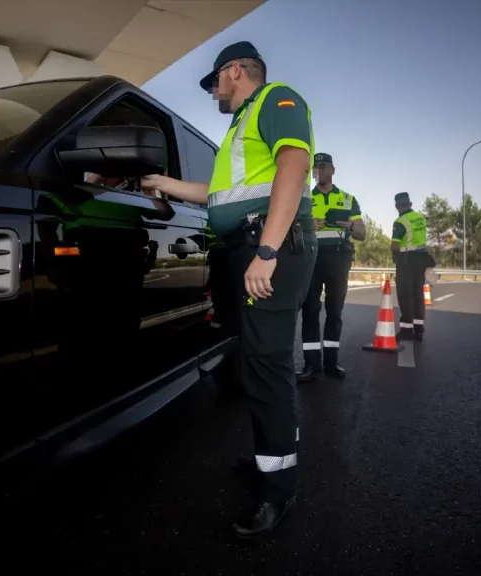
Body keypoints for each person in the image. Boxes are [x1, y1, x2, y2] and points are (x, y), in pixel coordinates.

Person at [142, 40, 317, 538]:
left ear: (235, 71)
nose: (212, 91)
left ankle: (279, 490)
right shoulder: (239, 128)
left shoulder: (278, 99)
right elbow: (218, 196)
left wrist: (267, 252)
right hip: (247, 245)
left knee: (267, 365)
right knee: (257, 364)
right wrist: (163, 182)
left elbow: (293, 166)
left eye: (214, 80)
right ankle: (271, 462)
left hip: (270, 247)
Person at [297, 153, 365, 381]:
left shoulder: (348, 199)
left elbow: (362, 234)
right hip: (311, 257)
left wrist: (352, 226)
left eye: (323, 166)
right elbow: (289, 222)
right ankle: (311, 366)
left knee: (334, 312)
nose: (318, 170)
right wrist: (308, 222)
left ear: (332, 170)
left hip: (338, 258)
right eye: (315, 167)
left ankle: (331, 363)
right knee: (310, 312)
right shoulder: (304, 197)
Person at [391, 192, 434, 341]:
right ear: (410, 204)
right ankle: (419, 328)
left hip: (406, 261)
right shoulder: (421, 218)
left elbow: (395, 246)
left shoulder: (400, 222)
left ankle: (407, 330)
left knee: (405, 295)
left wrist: (393, 252)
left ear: (397, 206)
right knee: (418, 294)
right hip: (421, 259)